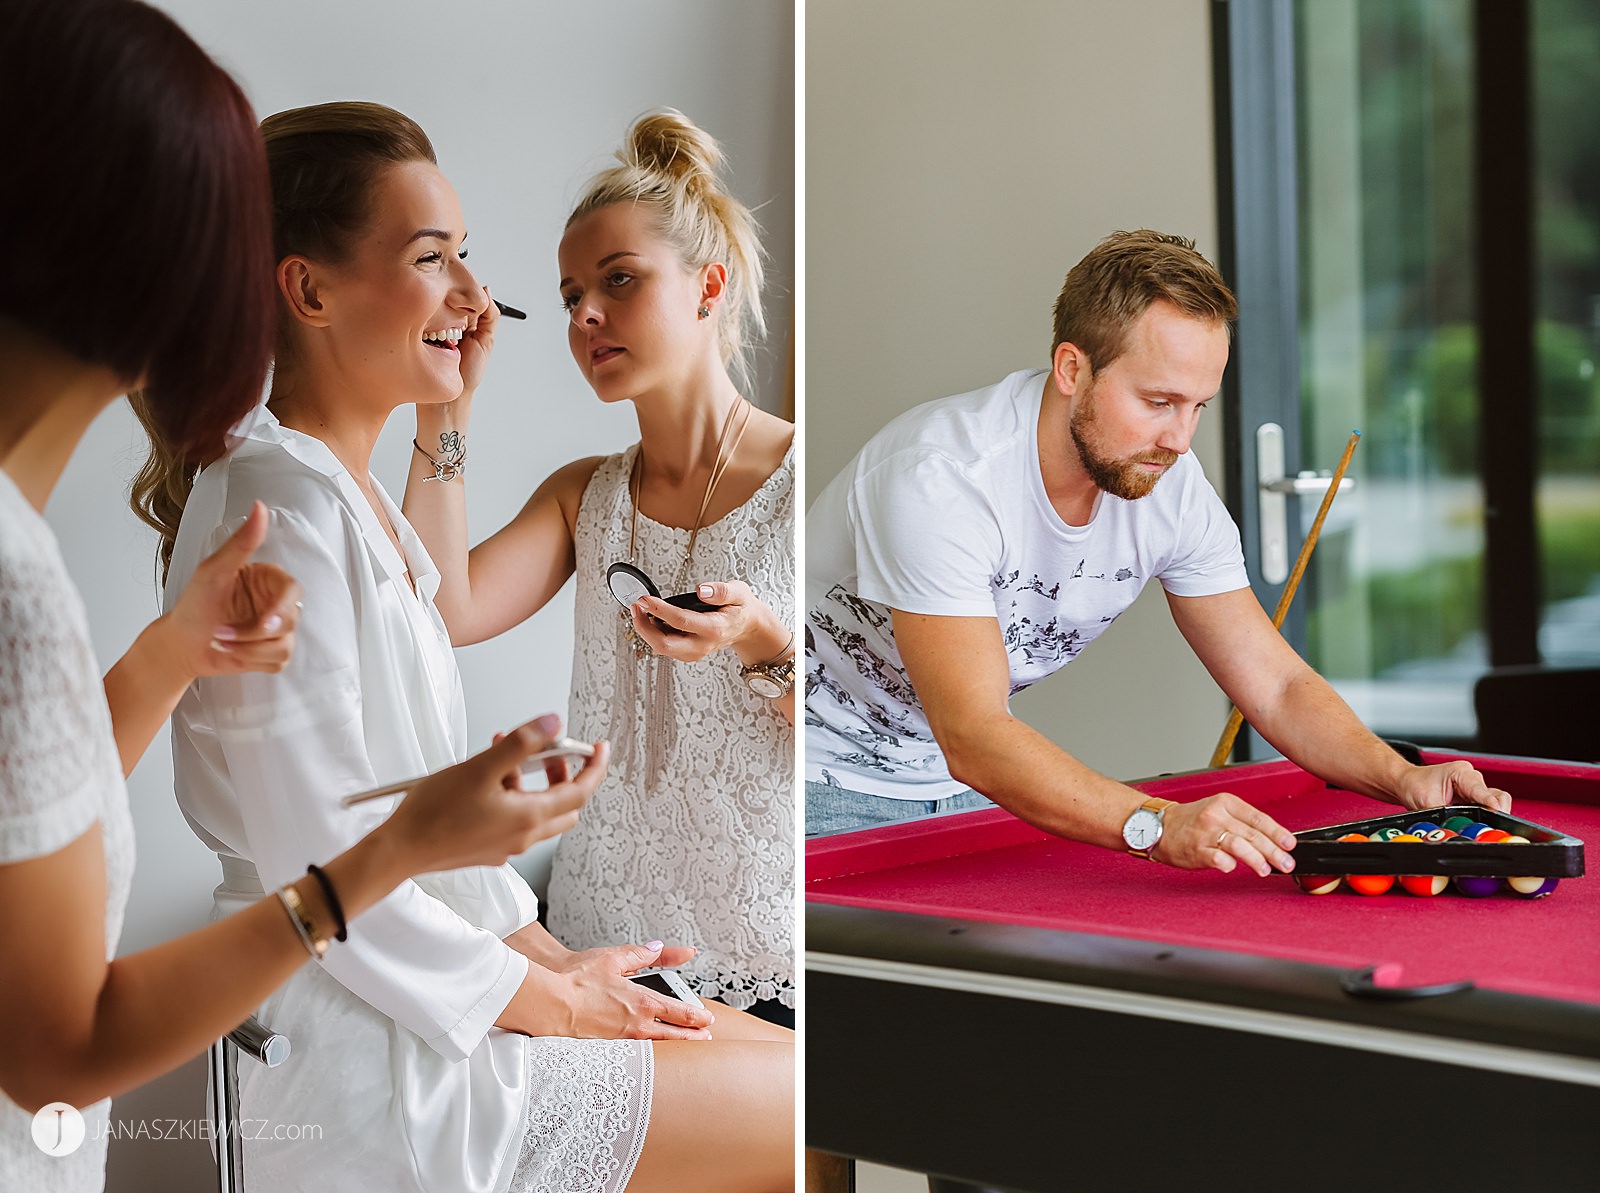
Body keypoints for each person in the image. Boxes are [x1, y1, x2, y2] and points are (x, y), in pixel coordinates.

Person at [134, 101, 793, 1193]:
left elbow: (409, 835)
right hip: (380, 1044)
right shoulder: (280, 514)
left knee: (796, 1076)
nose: (478, 300)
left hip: (448, 986)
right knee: (802, 1104)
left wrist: (546, 958)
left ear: (708, 284)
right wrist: (550, 991)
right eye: (434, 259)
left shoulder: (341, 504)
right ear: (308, 291)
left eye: (468, 261)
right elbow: (331, 863)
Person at [0, 6, 597, 1193]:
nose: (475, 294)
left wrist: (170, 653)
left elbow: (27, 791)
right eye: (219, 229)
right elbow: (54, 1048)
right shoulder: (228, 504)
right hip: (341, 1046)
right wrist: (405, 853)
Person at [804, 230, 1512, 1192]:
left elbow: (1276, 683)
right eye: (1157, 401)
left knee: (978, 1095)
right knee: (825, 1091)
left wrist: (1402, 775)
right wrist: (1158, 823)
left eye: (1199, 405)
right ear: (1071, 369)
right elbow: (975, 732)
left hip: (951, 783)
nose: (1181, 437)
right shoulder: (942, 475)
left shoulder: (1165, 485)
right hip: (809, 777)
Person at [403, 110, 797, 1027]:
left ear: (709, 286)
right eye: (573, 291)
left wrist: (760, 637)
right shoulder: (587, 497)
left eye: (619, 281)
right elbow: (438, 605)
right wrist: (444, 412)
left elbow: (864, 730)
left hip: (773, 952)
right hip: (599, 953)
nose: (585, 314)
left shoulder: (801, 482)